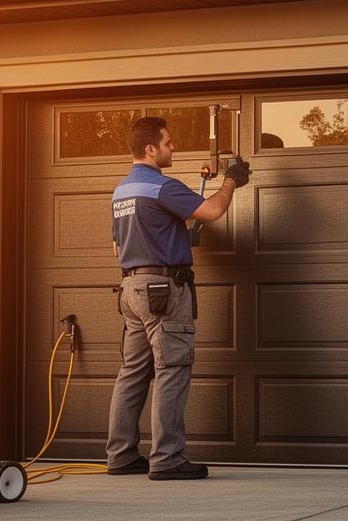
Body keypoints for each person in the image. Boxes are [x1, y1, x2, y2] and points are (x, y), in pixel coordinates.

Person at [106, 115, 249, 480]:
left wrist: (180, 236)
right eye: (169, 143)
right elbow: (213, 210)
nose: (173, 148)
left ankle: (121, 455)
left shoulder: (121, 191)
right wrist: (232, 180)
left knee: (133, 373)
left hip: (131, 288)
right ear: (151, 149)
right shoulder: (161, 186)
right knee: (172, 369)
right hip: (164, 291)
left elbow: (120, 243)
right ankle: (167, 459)